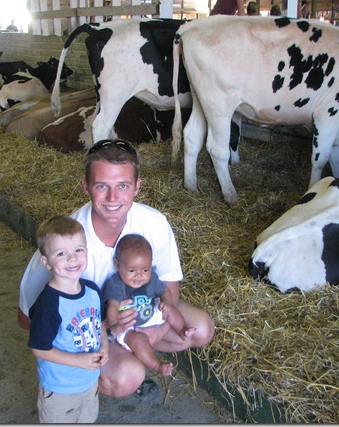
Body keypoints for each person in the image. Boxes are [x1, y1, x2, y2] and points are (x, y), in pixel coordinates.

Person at [18, 139, 215, 399]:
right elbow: (26, 318)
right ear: (86, 187)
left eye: (122, 185)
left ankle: (134, 351)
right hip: (93, 329)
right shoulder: (66, 242)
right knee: (127, 376)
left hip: (143, 311)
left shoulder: (154, 223)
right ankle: (88, 381)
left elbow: (169, 287)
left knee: (202, 329)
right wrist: (100, 336)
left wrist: (155, 332)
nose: (112, 198)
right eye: (102, 186)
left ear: (137, 187)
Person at [28, 215, 108, 423]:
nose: (72, 259)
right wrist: (78, 361)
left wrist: (105, 346)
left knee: (87, 418)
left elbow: (99, 323)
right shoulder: (49, 304)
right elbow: (39, 348)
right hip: (60, 387)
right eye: (61, 253)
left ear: (87, 252)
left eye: (78, 250)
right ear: (46, 262)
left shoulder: (92, 291)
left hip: (89, 381)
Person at [104, 234, 196, 377]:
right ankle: (157, 365)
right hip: (130, 326)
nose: (139, 275)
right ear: (117, 265)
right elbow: (113, 306)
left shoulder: (152, 278)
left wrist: (166, 303)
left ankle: (182, 330)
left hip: (151, 312)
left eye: (145, 270)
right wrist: (115, 324)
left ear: (151, 264)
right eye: (132, 271)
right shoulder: (116, 284)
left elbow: (165, 291)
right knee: (138, 341)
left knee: (170, 309)